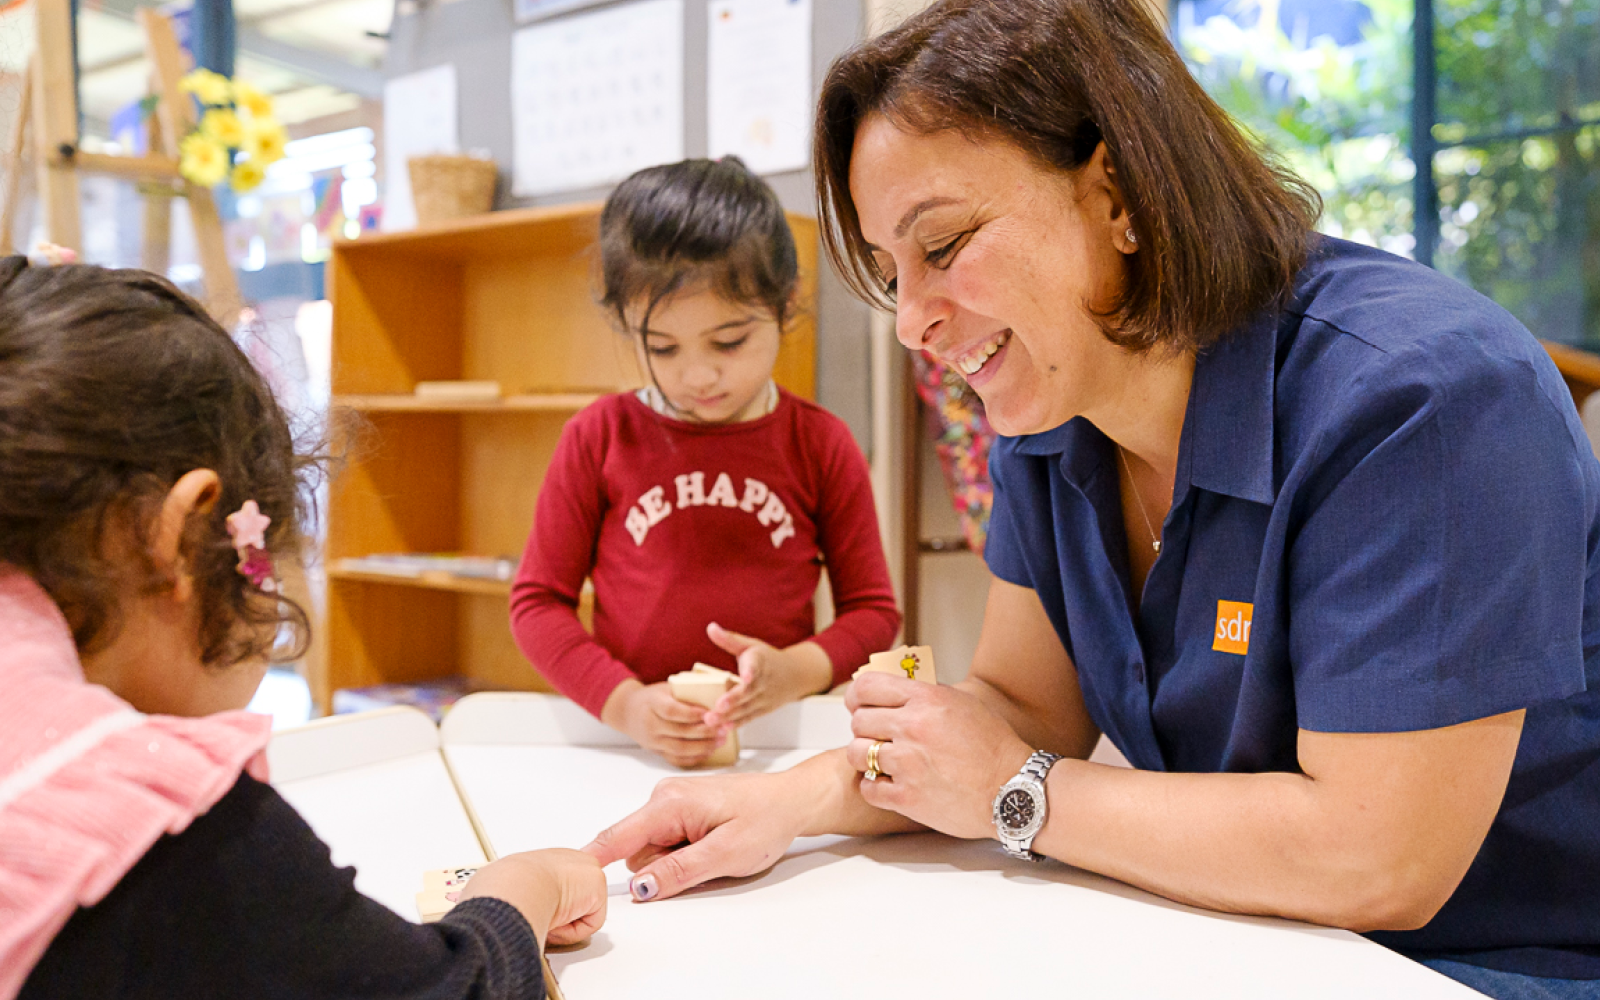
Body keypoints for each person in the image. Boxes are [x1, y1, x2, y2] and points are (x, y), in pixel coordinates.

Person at [582, 2, 1600, 996]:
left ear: (1118, 192)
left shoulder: (1420, 395)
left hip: (1488, 960)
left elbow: (1374, 859)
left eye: (940, 247)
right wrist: (786, 801)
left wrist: (1016, 791)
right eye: (893, 275)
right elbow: (1021, 706)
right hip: (1250, 935)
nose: (912, 325)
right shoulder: (1052, 408)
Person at [0, 257, 607, 1000]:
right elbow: (451, 988)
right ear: (189, 535)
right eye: (267, 563)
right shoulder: (157, 823)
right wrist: (527, 885)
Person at [510, 156, 901, 768]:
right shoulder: (599, 437)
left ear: (786, 302)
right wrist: (627, 707)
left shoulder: (820, 442)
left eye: (729, 341)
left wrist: (793, 672)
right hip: (632, 746)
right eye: (661, 347)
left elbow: (873, 613)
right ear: (624, 323)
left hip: (778, 745)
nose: (698, 376)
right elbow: (537, 604)